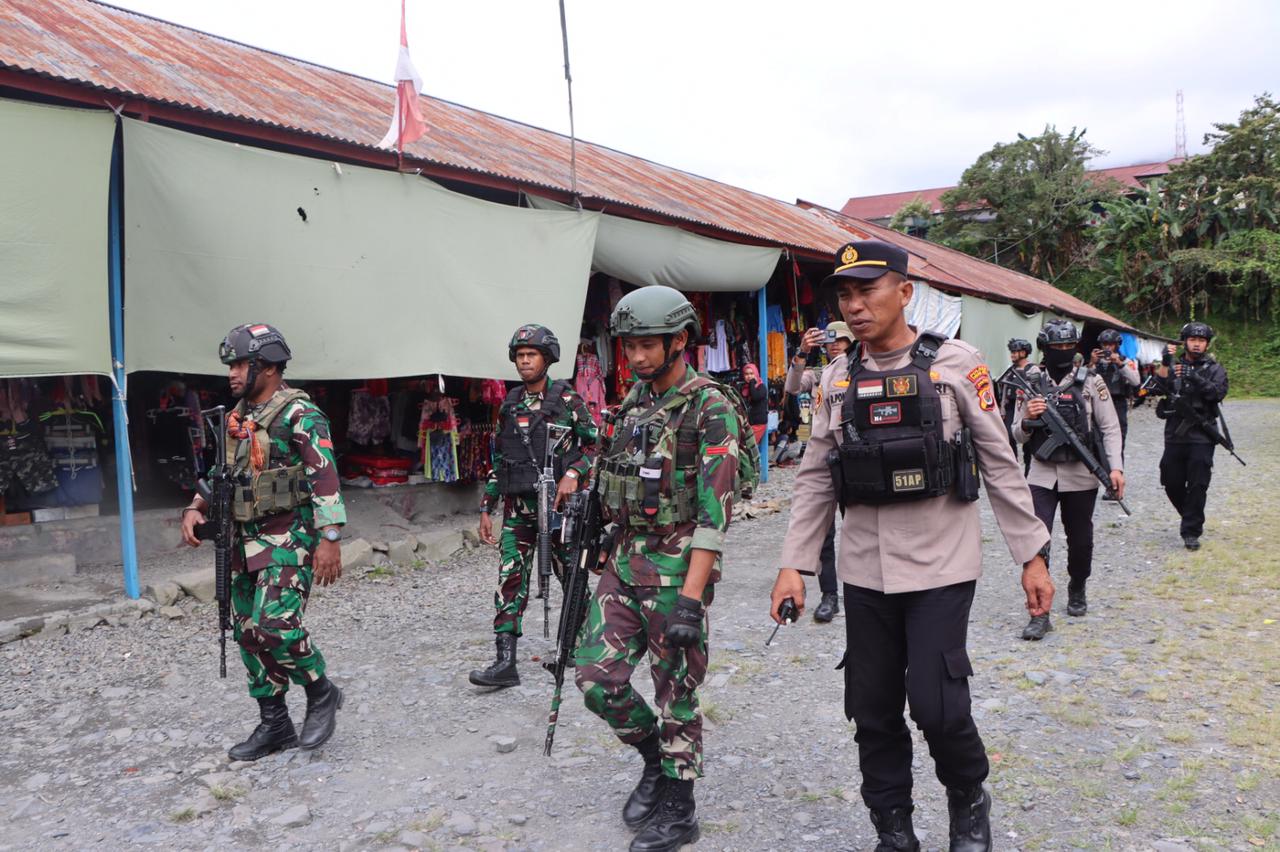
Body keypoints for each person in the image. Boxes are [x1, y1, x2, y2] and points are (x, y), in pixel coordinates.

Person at [772, 241, 1052, 852]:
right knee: (870, 708)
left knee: (937, 702)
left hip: (941, 564)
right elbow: (816, 475)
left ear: (904, 292)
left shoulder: (957, 364)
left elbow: (1000, 463)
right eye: (844, 294)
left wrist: (1031, 555)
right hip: (864, 571)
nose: (854, 305)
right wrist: (794, 564)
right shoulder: (837, 377)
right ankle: (892, 827)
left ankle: (968, 797)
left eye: (866, 290)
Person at [576, 285, 741, 852]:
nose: (637, 357)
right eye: (630, 346)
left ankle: (680, 805)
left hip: (676, 574)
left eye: (648, 345)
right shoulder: (631, 403)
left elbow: (715, 518)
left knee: (679, 693)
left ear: (679, 340)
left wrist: (692, 602)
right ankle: (654, 757)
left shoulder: (709, 406)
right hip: (623, 564)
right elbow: (611, 482)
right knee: (596, 681)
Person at [180, 323, 346, 760]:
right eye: (231, 364)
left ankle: (320, 690)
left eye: (240, 364)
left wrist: (330, 537)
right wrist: (195, 506)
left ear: (269, 368)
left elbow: (324, 476)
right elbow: (221, 472)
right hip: (242, 539)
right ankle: (275, 723)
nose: (232, 373)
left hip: (288, 537)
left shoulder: (300, 415)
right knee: (248, 632)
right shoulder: (236, 418)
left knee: (276, 624)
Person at [469, 324, 599, 688]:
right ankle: (504, 661)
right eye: (520, 356)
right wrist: (486, 506)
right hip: (519, 512)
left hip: (561, 510)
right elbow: (502, 459)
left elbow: (593, 443)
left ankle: (579, 646)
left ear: (547, 359)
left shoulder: (568, 401)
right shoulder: (509, 404)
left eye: (532, 355)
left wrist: (573, 472)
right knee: (510, 578)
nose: (525, 361)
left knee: (571, 576)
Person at [1012, 320, 1124, 639]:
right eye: (1056, 347)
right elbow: (1016, 434)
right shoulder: (1029, 381)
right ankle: (1039, 612)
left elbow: (1110, 427)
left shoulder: (1091, 381)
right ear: (1043, 348)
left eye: (1067, 347)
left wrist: (1115, 468)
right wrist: (1029, 418)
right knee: (1037, 542)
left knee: (1081, 542)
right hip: (1041, 473)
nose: (1062, 352)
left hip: (1080, 474)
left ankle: (1078, 584)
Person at [784, 320, 856, 624]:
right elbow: (791, 387)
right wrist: (801, 354)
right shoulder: (821, 375)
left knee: (859, 529)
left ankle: (866, 595)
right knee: (824, 534)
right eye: (830, 342)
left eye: (841, 340)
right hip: (825, 460)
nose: (835, 345)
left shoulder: (859, 368)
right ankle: (830, 596)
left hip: (855, 460)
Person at [1154, 321, 1229, 550]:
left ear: (1206, 344)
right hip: (1175, 434)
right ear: (1185, 341)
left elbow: (1217, 393)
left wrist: (1194, 377)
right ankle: (1190, 514)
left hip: (1202, 435)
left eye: (1201, 341)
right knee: (1170, 480)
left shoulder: (1215, 369)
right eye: (1193, 340)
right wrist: (1166, 362)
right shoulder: (1173, 366)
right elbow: (1158, 387)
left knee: (1198, 483)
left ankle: (1191, 531)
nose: (1197, 344)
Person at [1090, 328, 1140, 456]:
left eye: (1111, 344)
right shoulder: (1095, 362)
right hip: (1097, 403)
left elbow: (1135, 381)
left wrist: (1119, 363)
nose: (1107, 348)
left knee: (1118, 442)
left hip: (1117, 403)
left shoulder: (1126, 361)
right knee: (1095, 441)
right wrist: (1092, 363)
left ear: (1117, 345)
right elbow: (1082, 381)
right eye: (1105, 344)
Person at [998, 338, 1033, 474]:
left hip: (1026, 409)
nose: (1012, 354)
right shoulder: (1011, 370)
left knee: (1028, 442)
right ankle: (1013, 470)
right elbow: (1005, 392)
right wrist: (1002, 411)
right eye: (1011, 351)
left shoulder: (1033, 370)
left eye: (1015, 351)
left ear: (1023, 352)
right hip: (1010, 409)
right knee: (1008, 438)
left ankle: (1029, 472)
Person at [741, 362, 768, 448]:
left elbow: (755, 396)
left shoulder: (761, 387)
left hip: (758, 424)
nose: (749, 376)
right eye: (746, 374)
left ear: (756, 374)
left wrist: (752, 382)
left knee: (749, 446)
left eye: (751, 373)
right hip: (748, 423)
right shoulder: (745, 388)